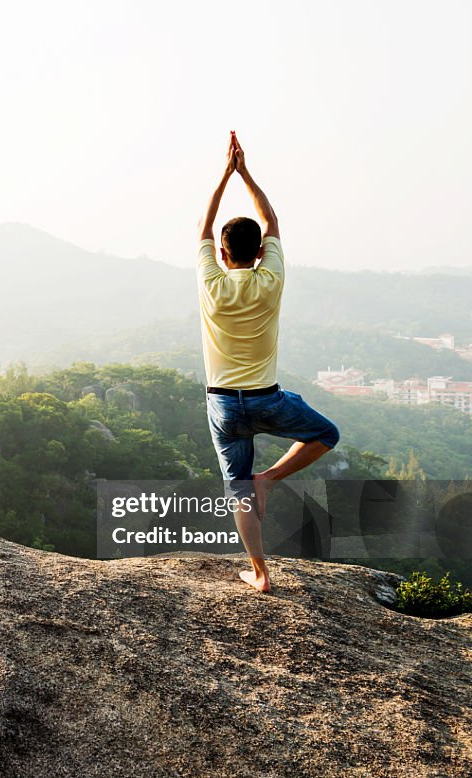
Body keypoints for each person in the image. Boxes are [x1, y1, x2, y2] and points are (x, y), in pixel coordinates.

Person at [197, 132, 340, 592]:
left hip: (223, 405)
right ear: (260, 252)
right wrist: (245, 172)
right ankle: (271, 479)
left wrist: (225, 174)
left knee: (236, 487)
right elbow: (271, 219)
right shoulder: (271, 277)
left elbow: (203, 226)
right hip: (267, 399)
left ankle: (260, 573)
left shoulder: (211, 284)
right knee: (325, 434)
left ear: (222, 253)